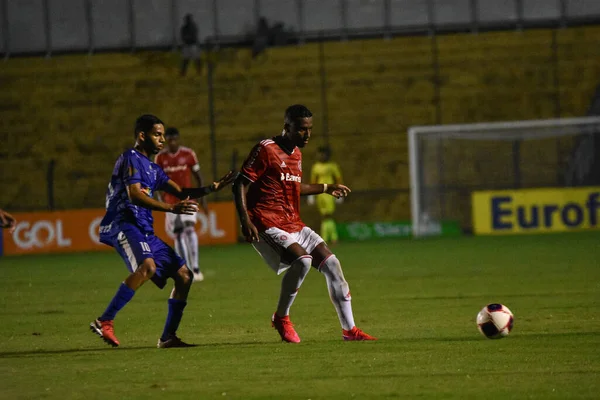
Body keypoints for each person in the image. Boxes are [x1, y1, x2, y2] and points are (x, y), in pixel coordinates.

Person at [232, 104, 376, 342]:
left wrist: (327, 188)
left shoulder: (296, 154)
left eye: (309, 129)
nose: (307, 135)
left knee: (332, 265)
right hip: (267, 221)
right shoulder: (266, 149)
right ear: (286, 127)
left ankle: (349, 330)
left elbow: (294, 187)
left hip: (293, 222)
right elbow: (240, 183)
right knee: (303, 261)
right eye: (301, 130)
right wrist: (245, 220)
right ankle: (281, 317)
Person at [90, 114, 234, 348]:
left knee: (184, 275)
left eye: (163, 135)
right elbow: (134, 194)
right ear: (142, 135)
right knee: (147, 267)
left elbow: (180, 191)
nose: (162, 140)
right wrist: (170, 208)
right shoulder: (131, 158)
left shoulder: (154, 169)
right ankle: (104, 320)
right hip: (124, 223)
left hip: (144, 229)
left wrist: (211, 188)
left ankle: (168, 337)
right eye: (157, 134)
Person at [155, 127, 207, 282]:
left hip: (188, 198)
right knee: (178, 233)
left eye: (174, 139)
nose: (172, 142)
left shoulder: (188, 154)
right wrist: (161, 200)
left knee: (190, 229)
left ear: (178, 139)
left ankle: (196, 268)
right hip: (170, 201)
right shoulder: (160, 158)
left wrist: (202, 197)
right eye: (169, 140)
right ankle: (186, 267)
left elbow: (198, 176)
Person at [309, 146, 343, 245]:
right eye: (319, 154)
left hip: (330, 192)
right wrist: (311, 194)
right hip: (320, 193)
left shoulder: (332, 166)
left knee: (328, 214)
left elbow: (338, 179)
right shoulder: (315, 167)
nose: (321, 156)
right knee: (324, 215)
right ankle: (327, 238)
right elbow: (313, 181)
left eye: (323, 154)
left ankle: (332, 237)